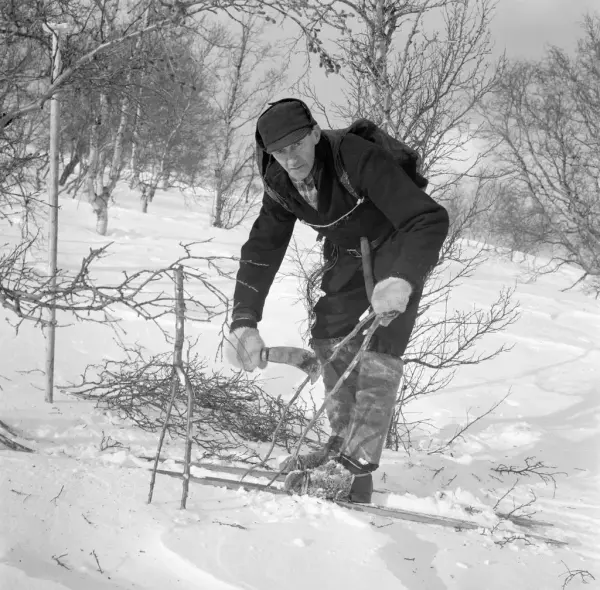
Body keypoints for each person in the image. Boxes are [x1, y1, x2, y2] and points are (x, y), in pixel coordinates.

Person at [225, 98, 449, 503]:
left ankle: (356, 469)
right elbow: (262, 248)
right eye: (278, 151)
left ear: (314, 134)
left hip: (398, 245)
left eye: (296, 145)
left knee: (382, 342)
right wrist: (244, 320)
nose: (289, 159)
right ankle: (340, 443)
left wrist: (400, 278)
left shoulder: (356, 159)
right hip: (349, 249)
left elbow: (428, 218)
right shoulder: (279, 181)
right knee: (329, 332)